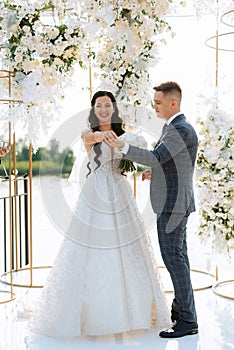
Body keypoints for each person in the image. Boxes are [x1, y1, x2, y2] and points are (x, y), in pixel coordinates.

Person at [28, 90, 170, 339]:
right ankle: (94, 315)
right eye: (99, 106)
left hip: (120, 190)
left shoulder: (126, 136)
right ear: (93, 110)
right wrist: (103, 134)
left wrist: (144, 168)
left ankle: (132, 313)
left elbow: (132, 161)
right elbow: (92, 137)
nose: (104, 109)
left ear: (114, 109)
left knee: (128, 249)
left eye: (108, 105)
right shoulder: (88, 134)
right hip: (96, 192)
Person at [105, 82, 199, 338]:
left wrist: (122, 147)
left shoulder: (179, 129)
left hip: (173, 205)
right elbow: (171, 162)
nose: (154, 106)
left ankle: (188, 320)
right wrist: (153, 173)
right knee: (180, 258)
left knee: (174, 260)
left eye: (158, 102)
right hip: (175, 202)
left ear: (173, 103)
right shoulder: (176, 127)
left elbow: (157, 156)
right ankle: (182, 310)